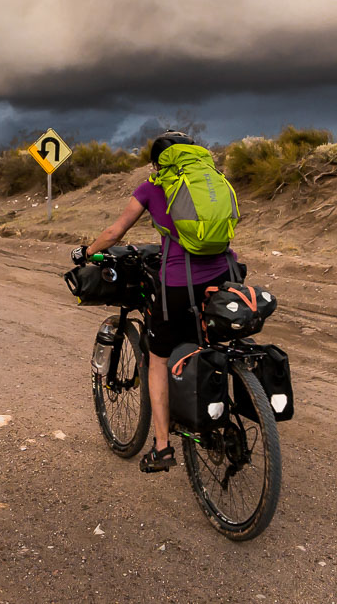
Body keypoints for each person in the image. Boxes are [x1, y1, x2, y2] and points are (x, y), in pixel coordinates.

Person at [72, 130, 236, 473]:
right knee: (211, 341)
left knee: (158, 359)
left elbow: (116, 232)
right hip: (226, 275)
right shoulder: (212, 179)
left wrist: (87, 252)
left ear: (157, 162)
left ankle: (162, 448)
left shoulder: (152, 186)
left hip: (180, 282)